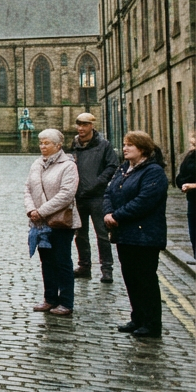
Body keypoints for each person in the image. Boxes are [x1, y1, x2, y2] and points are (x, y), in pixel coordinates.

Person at [104, 131, 169, 339]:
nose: (125, 148)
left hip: (145, 235)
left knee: (145, 279)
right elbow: (109, 192)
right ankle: (138, 318)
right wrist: (108, 212)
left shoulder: (153, 172)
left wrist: (117, 216)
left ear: (142, 149)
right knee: (131, 278)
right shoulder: (124, 169)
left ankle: (151, 323)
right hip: (124, 234)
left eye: (129, 145)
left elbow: (144, 201)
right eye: (124, 144)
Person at [24, 129, 80, 316]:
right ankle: (50, 298)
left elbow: (66, 194)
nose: (42, 146)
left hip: (60, 222)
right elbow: (28, 188)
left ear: (58, 145)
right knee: (46, 261)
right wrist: (31, 210)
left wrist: (41, 211)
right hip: (40, 223)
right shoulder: (36, 164)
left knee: (62, 261)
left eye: (46, 143)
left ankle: (66, 302)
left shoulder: (68, 166)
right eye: (41, 143)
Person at [69, 112, 119, 283]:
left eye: (84, 125)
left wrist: (99, 182)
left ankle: (107, 269)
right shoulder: (75, 144)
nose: (81, 128)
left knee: (102, 234)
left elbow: (112, 166)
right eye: (79, 125)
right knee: (80, 234)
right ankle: (84, 266)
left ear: (92, 126)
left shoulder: (104, 145)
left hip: (98, 196)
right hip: (79, 196)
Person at [176, 129, 196, 258]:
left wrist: (193, 186)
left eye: (193, 144)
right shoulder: (190, 156)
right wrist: (183, 184)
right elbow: (181, 175)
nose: (191, 147)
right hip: (193, 201)